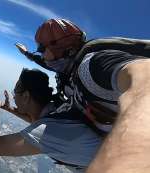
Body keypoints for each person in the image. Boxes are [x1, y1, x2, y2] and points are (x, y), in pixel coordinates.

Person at [21, 19, 150, 172]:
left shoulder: (93, 65)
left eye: (42, 49)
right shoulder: (69, 68)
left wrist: (128, 158)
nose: (41, 54)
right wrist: (27, 54)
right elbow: (45, 61)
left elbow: (144, 77)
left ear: (65, 50)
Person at [0, 68, 103, 172]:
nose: (13, 96)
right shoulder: (58, 108)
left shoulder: (50, 131)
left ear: (26, 96)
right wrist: (9, 109)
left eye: (15, 92)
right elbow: (37, 120)